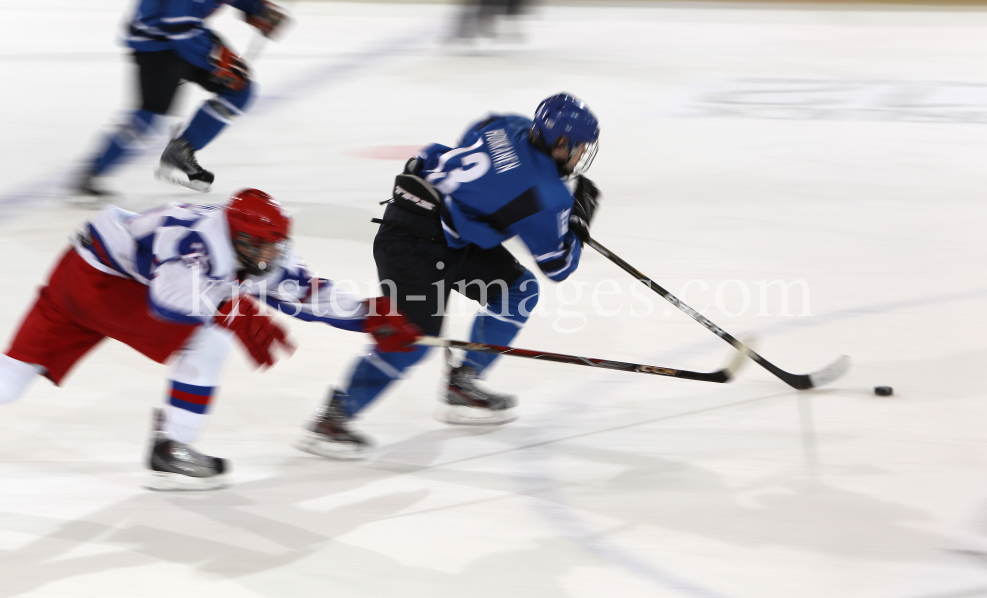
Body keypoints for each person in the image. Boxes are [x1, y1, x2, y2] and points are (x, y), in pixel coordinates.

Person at [0, 189, 420, 490]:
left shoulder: (253, 244)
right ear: (240, 238)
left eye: (276, 248)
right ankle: (173, 448)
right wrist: (233, 313)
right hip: (104, 284)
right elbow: (167, 296)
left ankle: (173, 445)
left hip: (78, 269)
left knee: (13, 375)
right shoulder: (197, 238)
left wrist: (369, 315)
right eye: (262, 248)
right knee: (207, 342)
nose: (270, 258)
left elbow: (302, 293)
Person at [296, 93, 601, 459]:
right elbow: (559, 266)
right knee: (412, 338)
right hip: (413, 244)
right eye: (579, 147)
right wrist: (579, 222)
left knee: (518, 289)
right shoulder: (546, 195)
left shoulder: (513, 126)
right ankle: (333, 418)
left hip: (440, 227)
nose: (581, 156)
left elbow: (477, 131)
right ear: (561, 142)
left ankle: (464, 382)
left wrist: (492, 199)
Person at [73, 0, 289, 199]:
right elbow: (178, 25)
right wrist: (217, 58)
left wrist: (258, 9)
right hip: (155, 41)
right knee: (149, 116)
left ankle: (181, 151)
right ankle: (92, 172)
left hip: (185, 33)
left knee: (239, 89)